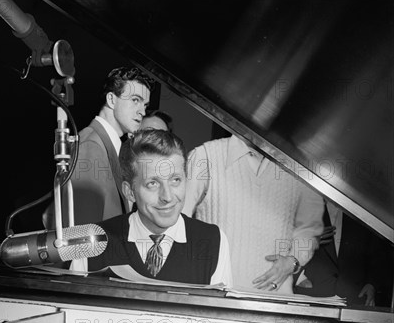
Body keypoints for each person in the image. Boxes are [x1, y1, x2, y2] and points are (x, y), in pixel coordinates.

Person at [71, 129, 233, 286]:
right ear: (130, 192)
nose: (167, 197)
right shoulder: (90, 242)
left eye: (175, 180)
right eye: (152, 184)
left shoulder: (214, 242)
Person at [183, 134, 324, 293]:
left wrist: (294, 260)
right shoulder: (205, 156)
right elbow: (177, 222)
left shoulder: (300, 166)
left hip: (274, 302)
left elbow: (310, 228)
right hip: (214, 298)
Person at [42, 66, 154, 228]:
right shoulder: (91, 147)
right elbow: (79, 236)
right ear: (111, 100)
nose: (142, 111)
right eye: (135, 100)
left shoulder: (106, 146)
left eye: (145, 105)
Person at [295, 201, 394, 306]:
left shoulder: (363, 211)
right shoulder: (302, 207)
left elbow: (378, 253)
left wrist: (372, 284)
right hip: (310, 296)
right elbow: (281, 244)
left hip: (355, 297)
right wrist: (299, 278)